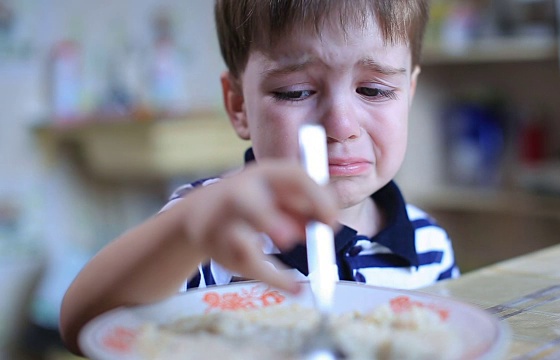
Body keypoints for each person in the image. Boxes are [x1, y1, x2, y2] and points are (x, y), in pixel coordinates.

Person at [59, 0, 459, 355]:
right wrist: (185, 230)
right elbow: (84, 328)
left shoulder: (431, 247)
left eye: (373, 90)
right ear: (238, 105)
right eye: (295, 92)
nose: (341, 125)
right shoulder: (208, 231)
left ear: (409, 93)